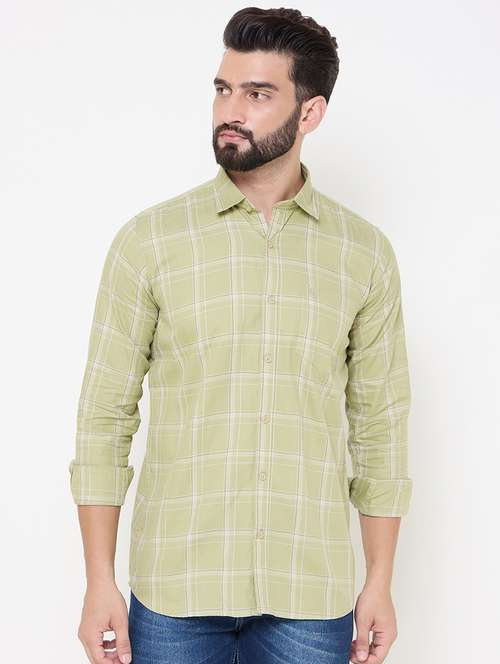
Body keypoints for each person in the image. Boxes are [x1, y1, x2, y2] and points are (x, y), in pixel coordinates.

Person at [69, 7, 413, 664]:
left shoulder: (363, 254)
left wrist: (379, 581)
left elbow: (381, 426)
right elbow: (103, 417)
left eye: (258, 94)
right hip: (175, 588)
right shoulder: (149, 242)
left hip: (309, 594)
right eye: (224, 89)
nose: (231, 110)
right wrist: (99, 580)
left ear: (309, 113)